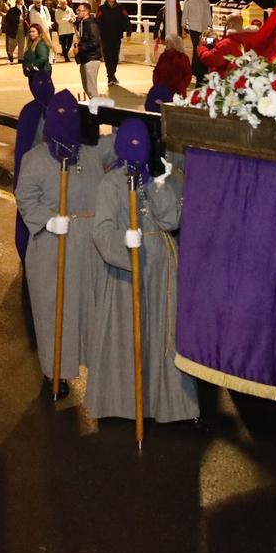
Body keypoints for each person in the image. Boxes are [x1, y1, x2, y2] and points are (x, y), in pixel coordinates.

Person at [85, 119, 199, 424]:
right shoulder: (110, 183)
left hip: (161, 269)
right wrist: (123, 240)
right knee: (127, 332)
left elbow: (172, 219)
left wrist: (152, 186)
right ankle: (123, 403)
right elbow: (101, 230)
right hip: (128, 271)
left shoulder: (163, 178)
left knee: (163, 334)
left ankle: (172, 405)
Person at [17, 92, 110, 398]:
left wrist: (108, 118)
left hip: (89, 248)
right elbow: (26, 199)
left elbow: (125, 150)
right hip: (52, 248)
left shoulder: (91, 153)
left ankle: (98, 370)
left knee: (90, 308)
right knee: (54, 311)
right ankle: (54, 372)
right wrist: (47, 220)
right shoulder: (35, 160)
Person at [75, 3, 105, 101]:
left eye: (80, 10)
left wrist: (80, 48)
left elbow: (95, 42)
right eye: (77, 10)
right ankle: (95, 109)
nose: (78, 12)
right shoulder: (82, 23)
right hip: (85, 58)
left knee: (91, 89)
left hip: (92, 58)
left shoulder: (91, 24)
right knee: (87, 88)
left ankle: (97, 112)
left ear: (86, 12)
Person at [151, 33, 193, 102]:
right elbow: (156, 71)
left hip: (177, 93)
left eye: (168, 42)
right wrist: (157, 84)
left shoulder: (182, 58)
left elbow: (187, 75)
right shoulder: (163, 56)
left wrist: (180, 87)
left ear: (174, 44)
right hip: (162, 91)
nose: (166, 44)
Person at [98, 0, 130, 86]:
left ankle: (112, 75)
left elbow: (126, 19)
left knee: (115, 57)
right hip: (105, 36)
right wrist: (98, 33)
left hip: (116, 36)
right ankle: (110, 77)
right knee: (108, 57)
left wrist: (129, 32)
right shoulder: (102, 8)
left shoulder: (121, 7)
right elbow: (97, 20)